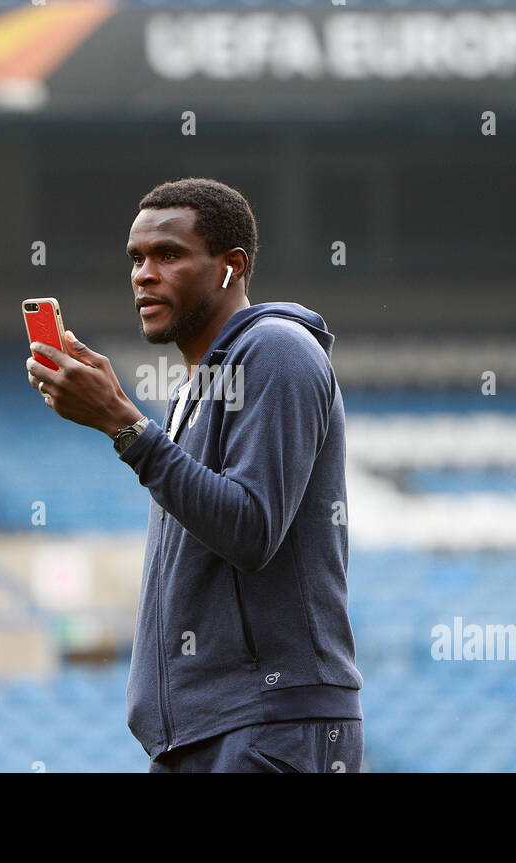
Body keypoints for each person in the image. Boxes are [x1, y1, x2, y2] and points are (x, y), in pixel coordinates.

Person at [26, 178, 363, 772]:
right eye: (136, 258)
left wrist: (124, 425)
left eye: (169, 255)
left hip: (267, 726)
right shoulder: (195, 390)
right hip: (206, 733)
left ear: (231, 267)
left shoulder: (277, 349)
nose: (143, 274)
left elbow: (252, 529)